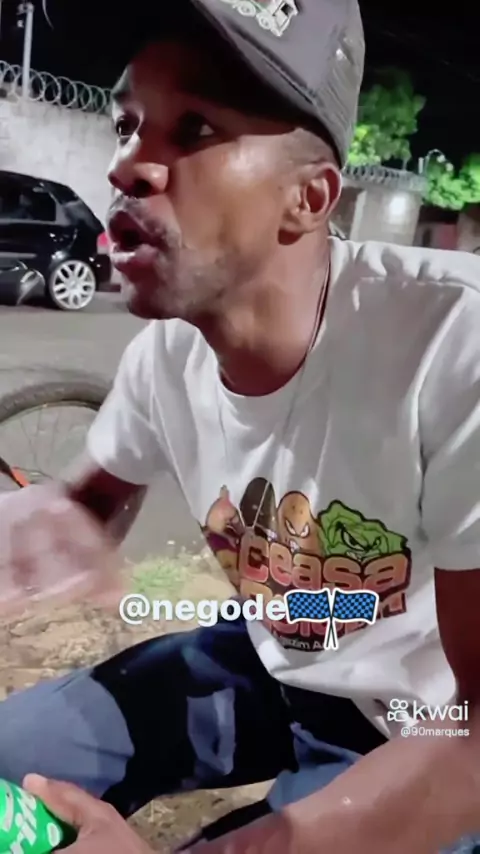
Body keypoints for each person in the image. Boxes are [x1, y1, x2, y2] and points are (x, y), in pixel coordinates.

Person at [1, 0, 480, 852]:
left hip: (425, 724)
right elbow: (92, 499)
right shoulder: (166, 354)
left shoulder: (452, 344)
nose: (126, 166)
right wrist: (58, 522)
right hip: (269, 664)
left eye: (194, 128)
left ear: (309, 197)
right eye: (127, 125)